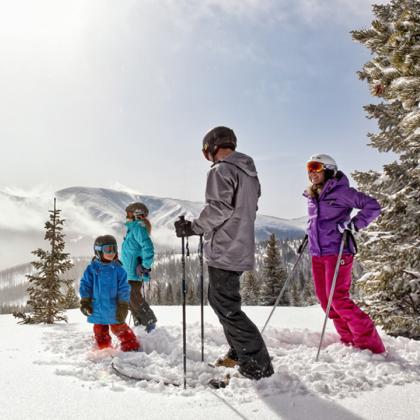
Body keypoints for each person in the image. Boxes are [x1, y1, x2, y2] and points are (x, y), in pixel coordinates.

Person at [174, 126, 273, 380]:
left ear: (211, 147)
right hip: (240, 246)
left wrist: (193, 227)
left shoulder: (222, 170)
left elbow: (219, 208)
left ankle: (256, 363)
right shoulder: (249, 173)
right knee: (224, 303)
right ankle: (238, 352)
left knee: (226, 307)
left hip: (225, 248)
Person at [304, 154, 385, 354]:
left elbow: (373, 206)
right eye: (309, 168)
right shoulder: (313, 195)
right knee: (326, 301)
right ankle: (349, 339)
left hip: (338, 252)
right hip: (317, 253)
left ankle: (370, 345)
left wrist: (355, 224)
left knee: (338, 298)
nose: (311, 172)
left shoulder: (342, 192)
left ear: (329, 169)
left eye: (316, 167)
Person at [79, 235, 140, 352]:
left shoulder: (118, 270)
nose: (112, 252)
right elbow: (85, 285)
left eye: (114, 249)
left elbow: (124, 288)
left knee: (120, 328)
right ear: (98, 251)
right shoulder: (92, 269)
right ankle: (105, 349)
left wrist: (123, 304)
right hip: (97, 307)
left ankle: (131, 346)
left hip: (114, 308)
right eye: (108, 249)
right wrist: (85, 301)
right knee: (99, 330)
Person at [121, 202, 157, 333]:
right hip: (128, 272)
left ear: (136, 214)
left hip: (134, 272)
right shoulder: (132, 229)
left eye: (128, 213)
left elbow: (148, 248)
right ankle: (139, 324)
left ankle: (149, 322)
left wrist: (145, 266)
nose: (126, 216)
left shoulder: (138, 229)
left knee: (135, 299)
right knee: (130, 300)